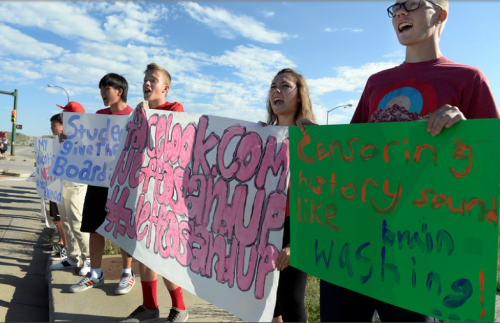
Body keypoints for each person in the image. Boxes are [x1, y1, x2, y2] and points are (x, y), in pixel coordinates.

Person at [299, 0, 499, 321]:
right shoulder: (376, 82)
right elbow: (354, 159)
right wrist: (317, 145)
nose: (401, 12)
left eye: (413, 4)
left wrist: (464, 133)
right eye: (396, 7)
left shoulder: (468, 79)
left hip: (419, 251)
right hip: (353, 244)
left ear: (440, 14)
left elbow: (489, 170)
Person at [121, 63, 186, 323]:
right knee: (142, 252)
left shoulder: (175, 109)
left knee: (163, 254)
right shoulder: (140, 112)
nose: (147, 84)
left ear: (165, 88)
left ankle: (180, 308)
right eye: (145, 80)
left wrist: (147, 116)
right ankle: (149, 306)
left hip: (166, 197)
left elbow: (165, 146)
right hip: (141, 193)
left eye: (153, 80)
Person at [69, 73, 135, 294]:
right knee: (94, 227)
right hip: (98, 180)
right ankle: (95, 273)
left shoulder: (134, 116)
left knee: (123, 229)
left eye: (106, 89)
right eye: (101, 90)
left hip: (123, 184)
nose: (103, 94)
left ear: (120, 91)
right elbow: (87, 143)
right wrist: (68, 140)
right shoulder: (98, 115)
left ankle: (127, 273)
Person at [260, 68, 316, 322]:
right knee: (269, 301)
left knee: (291, 300)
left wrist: (297, 244)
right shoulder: (260, 136)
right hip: (264, 226)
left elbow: (320, 197)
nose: (276, 91)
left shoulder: (311, 138)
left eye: (284, 86)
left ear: (300, 96)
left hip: (298, 227)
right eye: (273, 86)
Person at [50, 102, 90, 275]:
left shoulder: (85, 135)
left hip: (77, 185)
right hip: (62, 183)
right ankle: (73, 258)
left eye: (64, 113)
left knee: (77, 223)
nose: (61, 116)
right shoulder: (62, 136)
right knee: (66, 223)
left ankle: (88, 259)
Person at [43, 113, 68, 258]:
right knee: (57, 218)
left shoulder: (66, 142)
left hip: (62, 186)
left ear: (63, 126)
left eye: (54, 125)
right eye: (51, 125)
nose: (52, 128)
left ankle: (66, 246)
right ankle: (61, 241)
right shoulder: (54, 142)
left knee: (63, 218)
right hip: (53, 184)